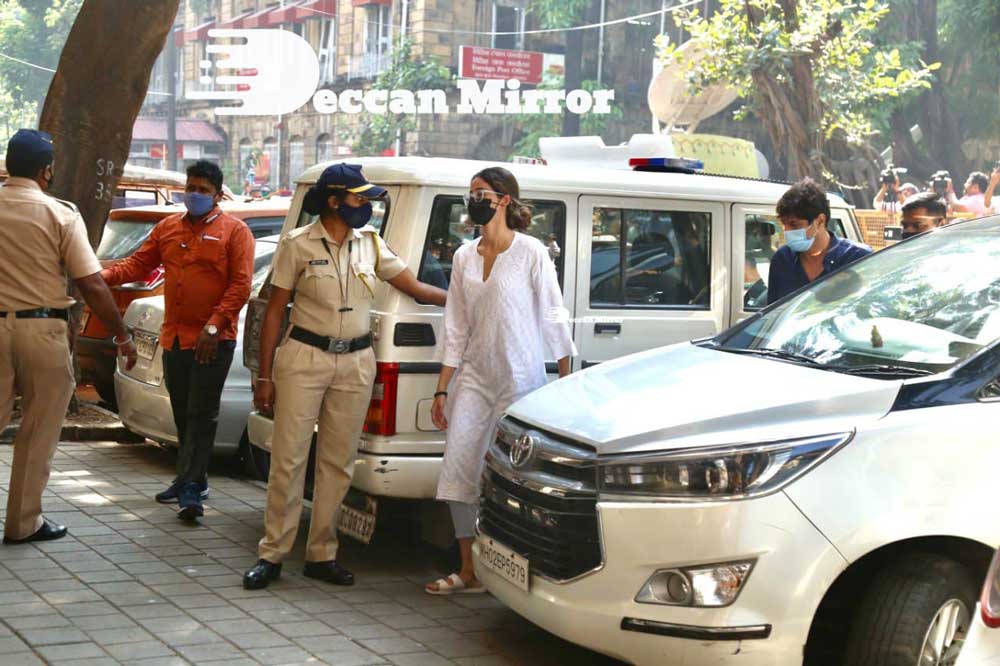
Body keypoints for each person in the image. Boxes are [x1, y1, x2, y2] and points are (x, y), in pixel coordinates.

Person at [244, 164, 446, 590]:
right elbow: (275, 310)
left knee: (337, 463)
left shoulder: (370, 244)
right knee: (289, 459)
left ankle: (321, 554)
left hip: (355, 362)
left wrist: (469, 299)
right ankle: (273, 553)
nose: (367, 206)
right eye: (360, 199)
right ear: (334, 201)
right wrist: (265, 376)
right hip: (303, 358)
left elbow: (414, 286)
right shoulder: (297, 244)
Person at [425, 167, 575, 595]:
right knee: (458, 468)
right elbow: (455, 326)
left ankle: (509, 571)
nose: (473, 199)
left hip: (519, 380)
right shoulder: (463, 256)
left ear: (505, 199)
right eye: (470, 192)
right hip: (474, 376)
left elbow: (553, 314)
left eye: (481, 192)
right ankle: (468, 570)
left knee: (512, 477)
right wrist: (442, 387)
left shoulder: (530, 252)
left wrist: (564, 381)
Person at [0, 129, 137, 544]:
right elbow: (92, 284)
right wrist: (121, 334)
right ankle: (24, 524)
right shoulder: (59, 214)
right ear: (46, 170)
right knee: (38, 428)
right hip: (43, 331)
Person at [102, 160, 255, 521]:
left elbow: (241, 286)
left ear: (218, 195)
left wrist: (214, 327)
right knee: (184, 413)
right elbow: (137, 265)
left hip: (212, 341)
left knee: (202, 413)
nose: (195, 194)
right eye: (191, 187)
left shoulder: (235, 232)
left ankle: (190, 489)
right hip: (174, 338)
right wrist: (99, 275)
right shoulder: (168, 228)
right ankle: (191, 478)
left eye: (203, 190)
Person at [767, 179, 872, 305]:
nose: (787, 231)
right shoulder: (782, 259)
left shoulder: (858, 258)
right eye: (784, 225)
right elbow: (773, 312)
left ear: (820, 221)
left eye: (794, 224)